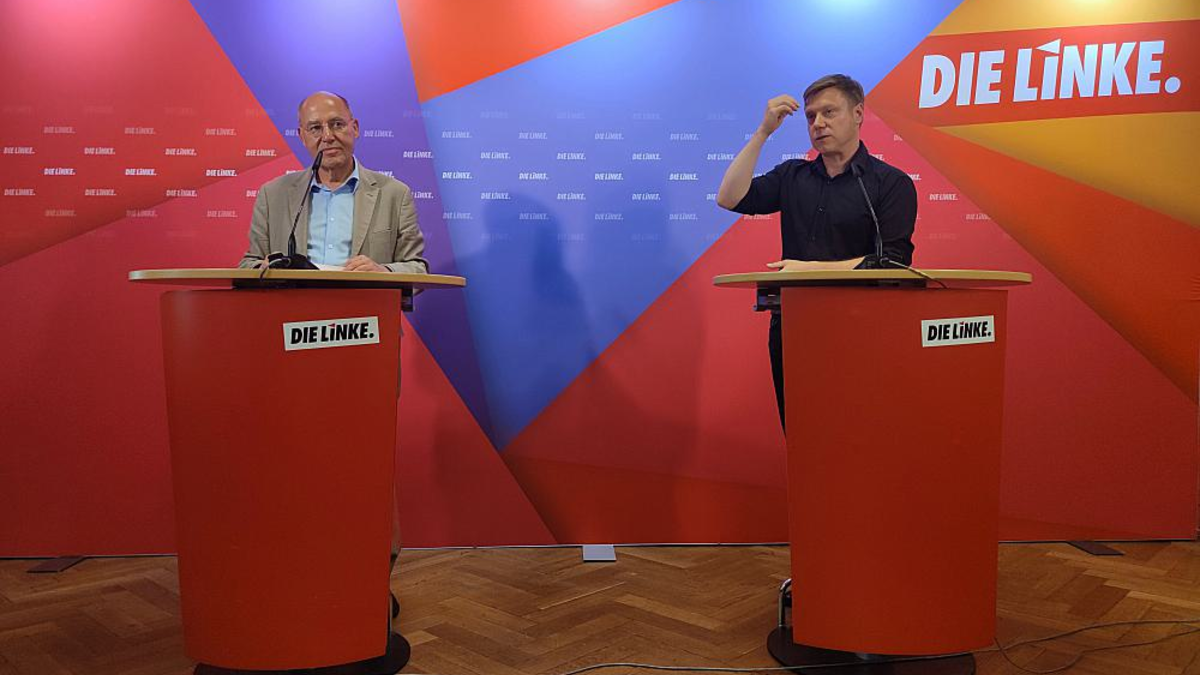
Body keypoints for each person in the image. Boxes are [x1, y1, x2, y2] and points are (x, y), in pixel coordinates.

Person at [716, 74, 916, 427]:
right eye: (811, 116)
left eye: (829, 112)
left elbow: (894, 262)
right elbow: (729, 198)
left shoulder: (890, 183)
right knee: (800, 432)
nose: (818, 124)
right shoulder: (793, 175)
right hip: (794, 327)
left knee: (859, 432)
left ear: (857, 114)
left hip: (862, 330)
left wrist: (806, 270)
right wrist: (763, 132)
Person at [239, 91, 428, 274]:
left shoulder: (394, 194)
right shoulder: (272, 195)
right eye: (315, 128)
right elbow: (249, 263)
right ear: (302, 137)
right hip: (292, 303)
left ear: (355, 128)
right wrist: (264, 270)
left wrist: (384, 270)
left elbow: (417, 268)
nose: (328, 136)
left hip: (364, 303)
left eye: (337, 124)